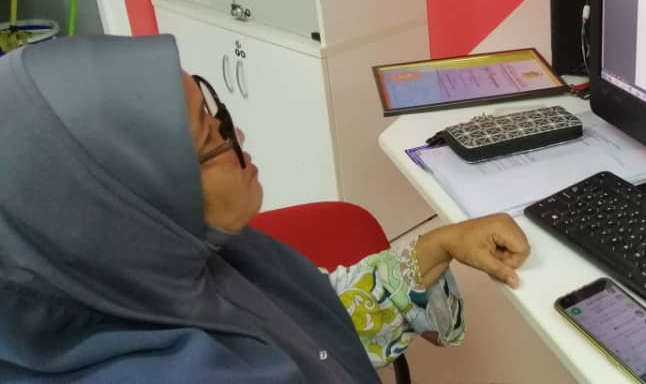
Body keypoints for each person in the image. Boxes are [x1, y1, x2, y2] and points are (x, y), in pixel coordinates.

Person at [0, 35, 531, 383]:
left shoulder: (162, 267)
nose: (238, 135)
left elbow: (315, 319)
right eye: (209, 136)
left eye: (215, 112)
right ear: (125, 207)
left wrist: (438, 246)